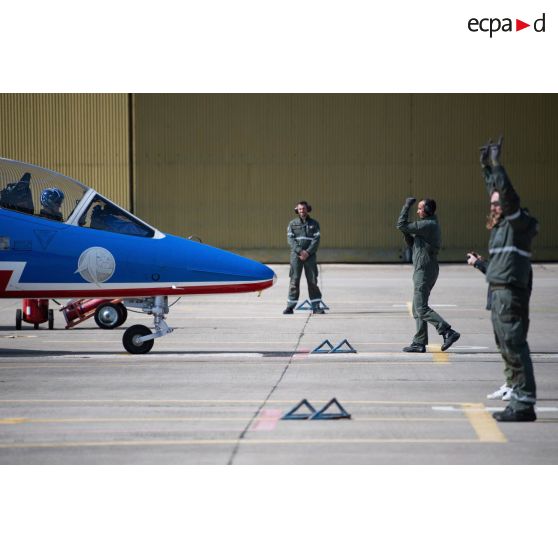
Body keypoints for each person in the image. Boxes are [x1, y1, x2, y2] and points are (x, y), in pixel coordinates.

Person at [478, 137, 538, 422]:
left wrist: (496, 165)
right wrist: (486, 171)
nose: (495, 205)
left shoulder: (518, 224)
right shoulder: (501, 226)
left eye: (498, 202)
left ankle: (524, 404)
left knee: (514, 345)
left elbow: (507, 195)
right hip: (498, 292)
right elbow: (496, 193)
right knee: (505, 348)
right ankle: (516, 398)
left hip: (511, 293)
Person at [396, 197, 460, 352]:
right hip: (423, 269)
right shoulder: (426, 226)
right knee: (417, 308)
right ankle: (419, 342)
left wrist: (406, 206)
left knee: (421, 307)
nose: (417, 211)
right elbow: (414, 245)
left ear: (428, 211)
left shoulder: (428, 225)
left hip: (425, 270)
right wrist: (406, 234)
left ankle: (447, 331)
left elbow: (401, 224)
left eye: (419, 208)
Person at [467, 250, 513, 401]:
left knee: (510, 347)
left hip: (505, 303)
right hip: (497, 302)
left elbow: (499, 274)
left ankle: (517, 386)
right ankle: (510, 383)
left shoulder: (510, 245)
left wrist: (478, 263)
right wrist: (482, 262)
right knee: (503, 347)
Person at [283, 201, 324, 314]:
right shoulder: (292, 224)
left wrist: (308, 252)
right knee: (294, 280)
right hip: (296, 257)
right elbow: (290, 240)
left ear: (308, 209)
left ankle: (316, 306)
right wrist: (300, 252)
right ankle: (290, 307)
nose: (302, 211)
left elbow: (316, 240)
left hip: (310, 257)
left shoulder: (314, 224)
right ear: (297, 210)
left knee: (312, 280)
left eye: (304, 209)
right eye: (300, 209)